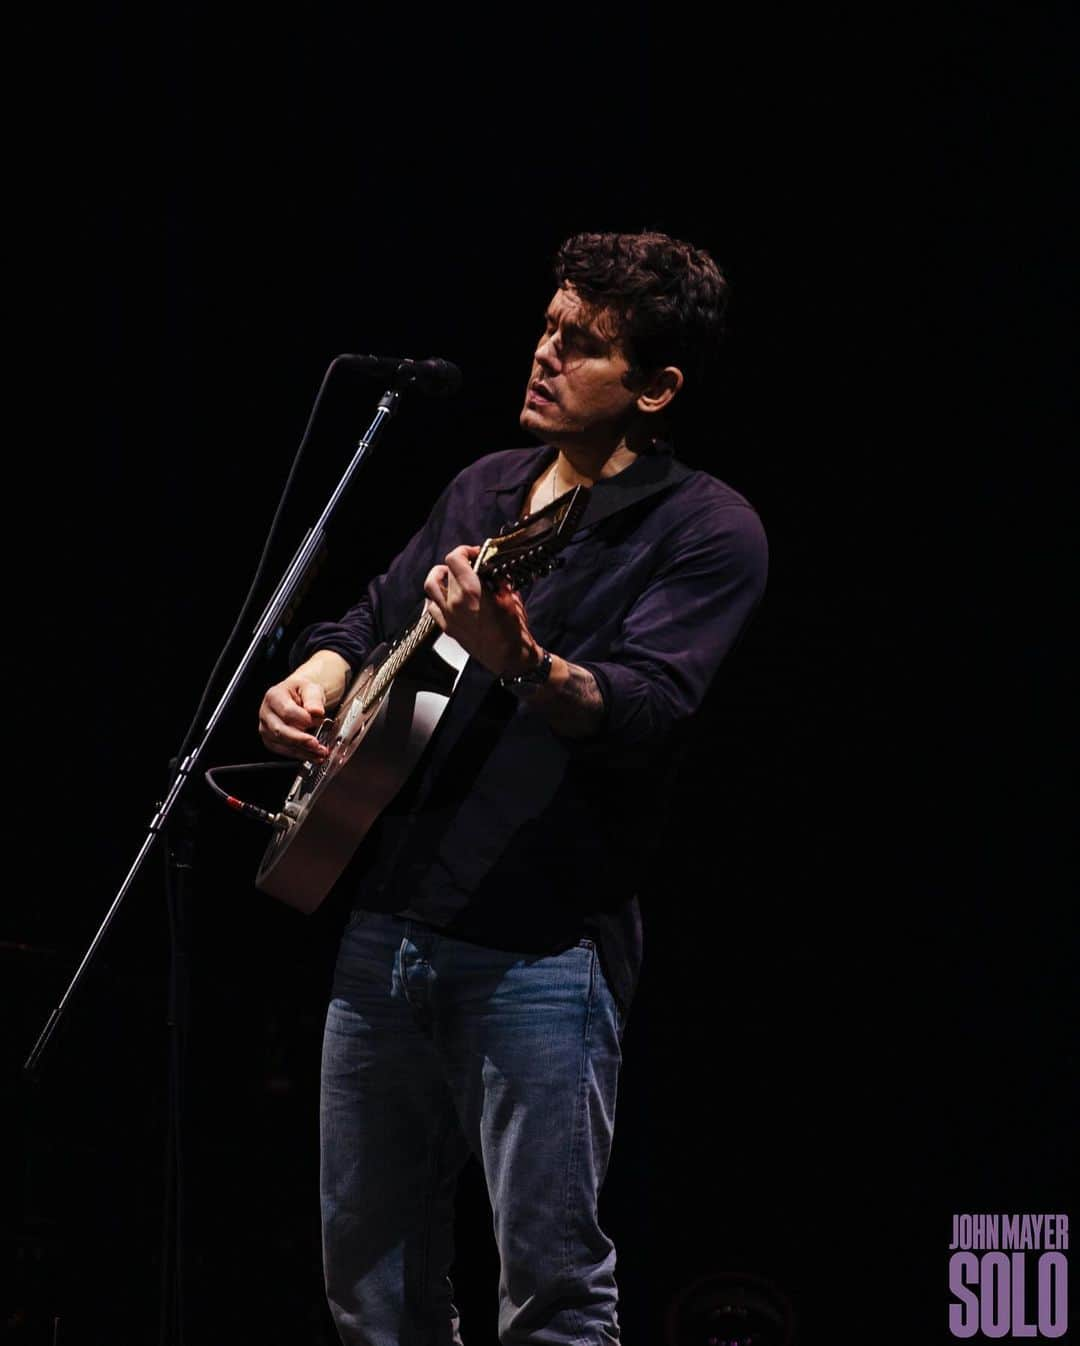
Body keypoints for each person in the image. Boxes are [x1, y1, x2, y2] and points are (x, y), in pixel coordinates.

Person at [257, 231, 769, 1346]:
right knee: (372, 1288)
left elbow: (642, 707)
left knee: (550, 1291)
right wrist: (322, 669)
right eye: (546, 325)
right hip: (385, 920)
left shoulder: (706, 528)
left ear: (655, 386)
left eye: (581, 344)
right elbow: (374, 614)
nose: (542, 353)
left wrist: (523, 661)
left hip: (541, 947)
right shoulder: (486, 487)